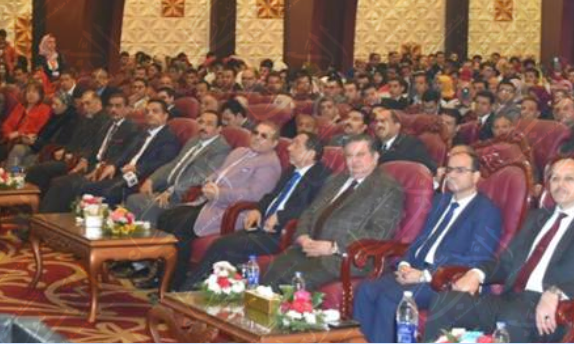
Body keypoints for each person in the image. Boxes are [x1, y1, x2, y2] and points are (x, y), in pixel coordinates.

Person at [423, 158, 574, 343]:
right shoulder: (536, 217)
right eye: (555, 178)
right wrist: (476, 273)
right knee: (446, 302)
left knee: (513, 318)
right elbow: (506, 262)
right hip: (511, 300)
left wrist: (555, 293)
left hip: (558, 311)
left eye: (569, 179)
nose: (560, 184)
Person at [354, 151, 503, 344]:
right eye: (449, 169)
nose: (452, 175)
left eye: (460, 170)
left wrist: (424, 275)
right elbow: (421, 240)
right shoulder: (440, 201)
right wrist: (404, 265)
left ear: (475, 176)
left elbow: (477, 258)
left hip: (444, 279)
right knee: (366, 290)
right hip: (416, 270)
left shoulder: (486, 211)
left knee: (390, 299)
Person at [180, 131, 328, 291]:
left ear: (311, 153)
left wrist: (280, 217)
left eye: (296, 145)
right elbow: (271, 195)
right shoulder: (292, 170)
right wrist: (258, 210)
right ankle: (196, 291)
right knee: (222, 244)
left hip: (281, 234)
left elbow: (310, 210)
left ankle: (193, 291)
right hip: (262, 226)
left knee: (225, 246)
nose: (289, 148)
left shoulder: (321, 176)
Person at [259, 135, 404, 290]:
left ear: (375, 156)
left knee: (293, 280)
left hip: (345, 258)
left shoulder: (387, 188)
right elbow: (310, 211)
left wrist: (334, 247)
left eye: (360, 155)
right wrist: (302, 236)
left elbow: (380, 233)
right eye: (349, 156)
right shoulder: (336, 179)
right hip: (310, 247)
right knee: (272, 270)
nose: (354, 161)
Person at [41, 100, 181, 211]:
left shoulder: (169, 138)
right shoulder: (141, 133)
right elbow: (124, 152)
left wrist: (137, 168)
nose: (149, 114)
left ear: (165, 116)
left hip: (138, 178)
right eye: (147, 111)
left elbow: (163, 163)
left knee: (89, 189)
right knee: (66, 184)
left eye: (155, 111)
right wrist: (113, 165)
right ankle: (49, 225)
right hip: (119, 173)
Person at [372, 107, 437, 171]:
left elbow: (428, 169)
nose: (378, 125)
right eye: (376, 122)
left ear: (397, 125)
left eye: (383, 121)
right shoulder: (372, 145)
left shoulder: (412, 145)